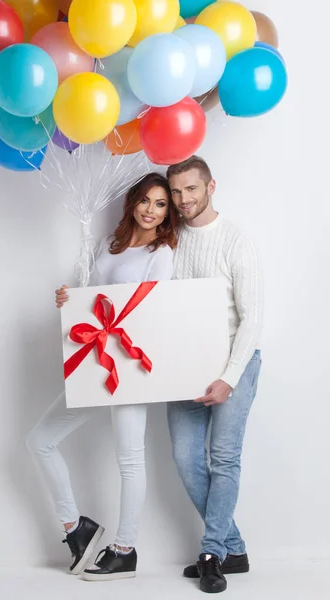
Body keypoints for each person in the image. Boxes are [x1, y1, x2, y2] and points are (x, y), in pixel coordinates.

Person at [26, 173, 178, 582]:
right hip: (95, 358)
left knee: (129, 459)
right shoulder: (107, 244)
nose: (150, 209)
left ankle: (124, 550)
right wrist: (68, 298)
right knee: (40, 441)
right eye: (145, 200)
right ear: (132, 202)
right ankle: (76, 528)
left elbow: (150, 309)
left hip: (128, 363)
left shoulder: (161, 253)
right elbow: (90, 299)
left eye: (161, 204)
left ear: (168, 212)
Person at [166, 157, 263, 594]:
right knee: (188, 461)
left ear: (210, 187)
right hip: (184, 364)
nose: (183, 199)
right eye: (176, 191)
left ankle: (210, 554)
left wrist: (229, 376)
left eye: (191, 189)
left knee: (224, 460)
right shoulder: (168, 239)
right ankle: (234, 548)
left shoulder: (236, 240)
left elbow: (253, 318)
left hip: (235, 363)